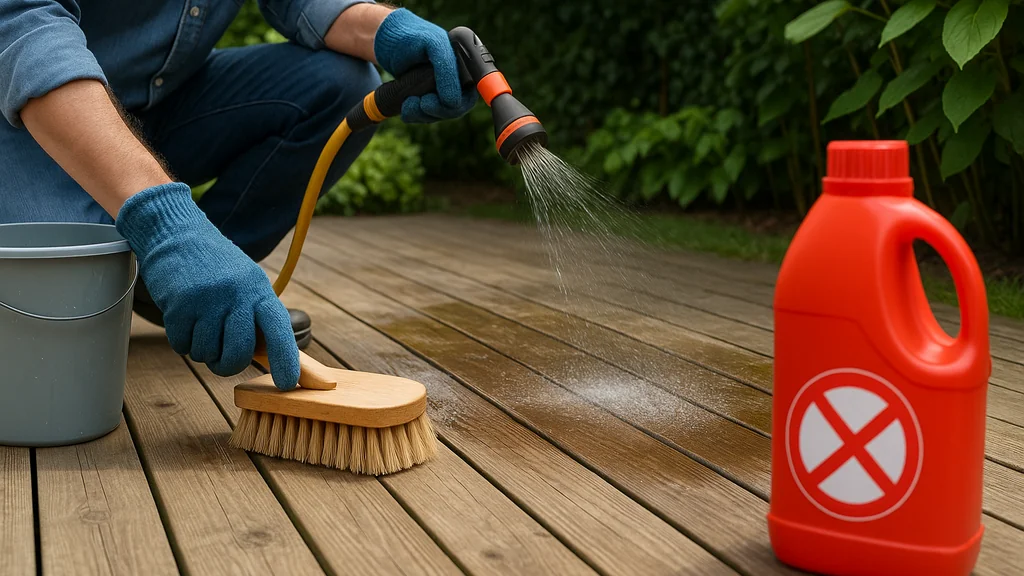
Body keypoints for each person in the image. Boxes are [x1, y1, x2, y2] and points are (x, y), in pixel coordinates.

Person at [0, 1, 476, 390]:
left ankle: (188, 284)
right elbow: (22, 25)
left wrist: (385, 29)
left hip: (163, 104)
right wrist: (168, 227)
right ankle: (174, 257)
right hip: (31, 120)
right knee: (58, 325)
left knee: (342, 85)